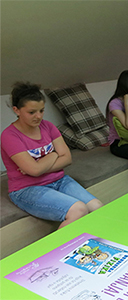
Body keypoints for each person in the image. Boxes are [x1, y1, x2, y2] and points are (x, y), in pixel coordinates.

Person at [1, 82, 103, 229]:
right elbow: (35, 171)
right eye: (32, 112)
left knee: (97, 207)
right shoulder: (9, 136)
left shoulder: (48, 126)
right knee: (78, 210)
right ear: (16, 110)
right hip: (27, 189)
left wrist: (38, 167)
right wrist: (54, 154)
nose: (38, 116)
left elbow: (67, 158)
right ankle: (57, 251)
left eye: (41, 111)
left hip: (59, 180)